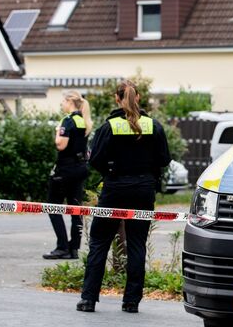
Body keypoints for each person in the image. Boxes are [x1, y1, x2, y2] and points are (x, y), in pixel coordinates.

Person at [77, 80, 171, 313]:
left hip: (115, 188)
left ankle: (88, 299)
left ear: (117, 99)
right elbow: (165, 159)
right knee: (137, 243)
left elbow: (95, 158)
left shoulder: (109, 126)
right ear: (137, 97)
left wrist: (112, 171)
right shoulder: (154, 125)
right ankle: (131, 302)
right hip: (144, 188)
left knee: (99, 242)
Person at [43, 91, 93, 260]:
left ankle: (62, 246)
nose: (61, 105)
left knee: (53, 206)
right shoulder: (83, 122)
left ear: (69, 102)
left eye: (63, 101)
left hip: (65, 169)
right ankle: (74, 248)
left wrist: (57, 132)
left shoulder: (68, 121)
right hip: (79, 168)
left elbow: (61, 144)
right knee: (75, 209)